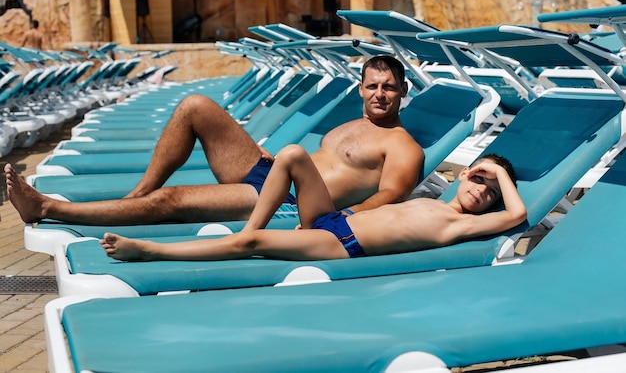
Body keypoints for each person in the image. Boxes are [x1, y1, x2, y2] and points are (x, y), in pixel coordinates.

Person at [5, 55, 424, 225]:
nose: (380, 94)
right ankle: (139, 192)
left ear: (404, 90)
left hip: (285, 202)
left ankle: (47, 207)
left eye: (389, 87)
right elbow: (322, 162)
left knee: (174, 201)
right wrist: (270, 157)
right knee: (195, 106)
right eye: (372, 86)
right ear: (361, 89)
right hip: (272, 170)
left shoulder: (404, 146)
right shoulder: (351, 126)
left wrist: (345, 221)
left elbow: (392, 194)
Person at [100, 150, 527, 262]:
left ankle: (152, 251)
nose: (482, 192)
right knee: (290, 156)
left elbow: (516, 216)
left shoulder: (460, 226)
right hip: (334, 220)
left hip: (340, 243)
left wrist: (497, 171)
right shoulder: (433, 197)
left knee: (250, 246)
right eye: (478, 180)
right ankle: (251, 225)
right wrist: (480, 167)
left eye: (489, 193)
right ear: (463, 175)